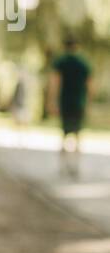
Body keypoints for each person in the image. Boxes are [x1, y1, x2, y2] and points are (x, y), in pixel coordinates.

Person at [49, 35, 91, 175]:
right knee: (78, 135)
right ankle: (76, 166)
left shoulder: (61, 62)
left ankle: (62, 166)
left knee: (64, 134)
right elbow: (90, 85)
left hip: (65, 102)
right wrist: (88, 103)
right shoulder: (83, 63)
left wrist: (52, 102)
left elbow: (55, 83)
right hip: (79, 102)